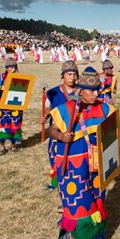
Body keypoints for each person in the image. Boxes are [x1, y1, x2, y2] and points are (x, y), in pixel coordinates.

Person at [48, 66, 115, 239]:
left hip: (96, 163)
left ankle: (93, 236)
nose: (95, 94)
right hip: (74, 165)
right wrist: (61, 135)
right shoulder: (66, 110)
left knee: (96, 199)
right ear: (80, 90)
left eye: (97, 90)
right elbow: (51, 130)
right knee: (76, 202)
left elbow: (112, 137)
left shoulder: (105, 109)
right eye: (90, 90)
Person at [40, 61, 79, 189]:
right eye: (69, 74)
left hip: (76, 133)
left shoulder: (81, 92)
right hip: (57, 133)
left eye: (74, 74)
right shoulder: (53, 93)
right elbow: (48, 109)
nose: (72, 77)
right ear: (63, 76)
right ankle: (59, 182)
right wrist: (45, 116)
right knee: (57, 160)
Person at [0, 58, 23, 155]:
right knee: (1, 126)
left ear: (16, 68)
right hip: (0, 106)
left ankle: (13, 144)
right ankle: (2, 147)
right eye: (8, 67)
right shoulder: (0, 77)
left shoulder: (20, 78)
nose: (10, 69)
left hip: (13, 106)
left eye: (12, 67)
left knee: (14, 125)